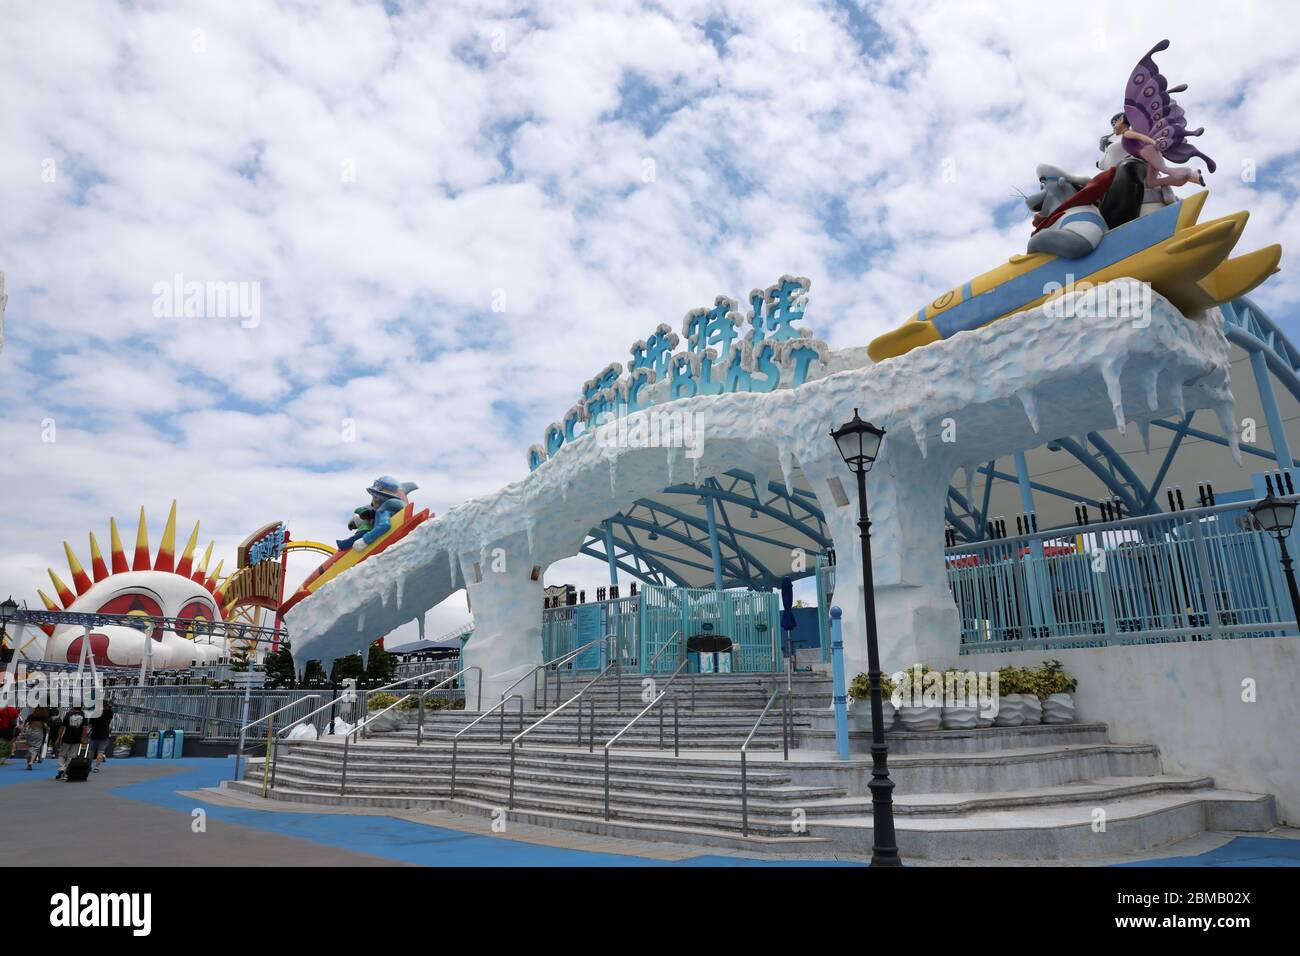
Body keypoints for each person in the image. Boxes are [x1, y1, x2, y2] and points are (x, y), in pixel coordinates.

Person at [54, 705, 88, 780]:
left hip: (67, 737)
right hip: (77, 738)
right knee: (71, 756)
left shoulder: (68, 714)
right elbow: (85, 728)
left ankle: (61, 768)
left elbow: (62, 727)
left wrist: (59, 738)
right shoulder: (84, 715)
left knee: (62, 754)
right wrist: (84, 738)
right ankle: (66, 772)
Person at [87, 698, 114, 772]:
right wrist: (109, 707)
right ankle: (96, 767)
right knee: (101, 751)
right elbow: (110, 711)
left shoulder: (95, 713)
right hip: (104, 734)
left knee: (91, 751)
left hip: (94, 734)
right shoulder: (109, 713)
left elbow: (90, 724)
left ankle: (88, 766)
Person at [21, 706, 48, 771]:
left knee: (30, 747)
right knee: (35, 748)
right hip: (39, 733)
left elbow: (25, 725)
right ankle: (30, 763)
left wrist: (24, 731)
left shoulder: (31, 716)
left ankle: (28, 763)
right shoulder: (43, 717)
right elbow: (46, 726)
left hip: (30, 733)